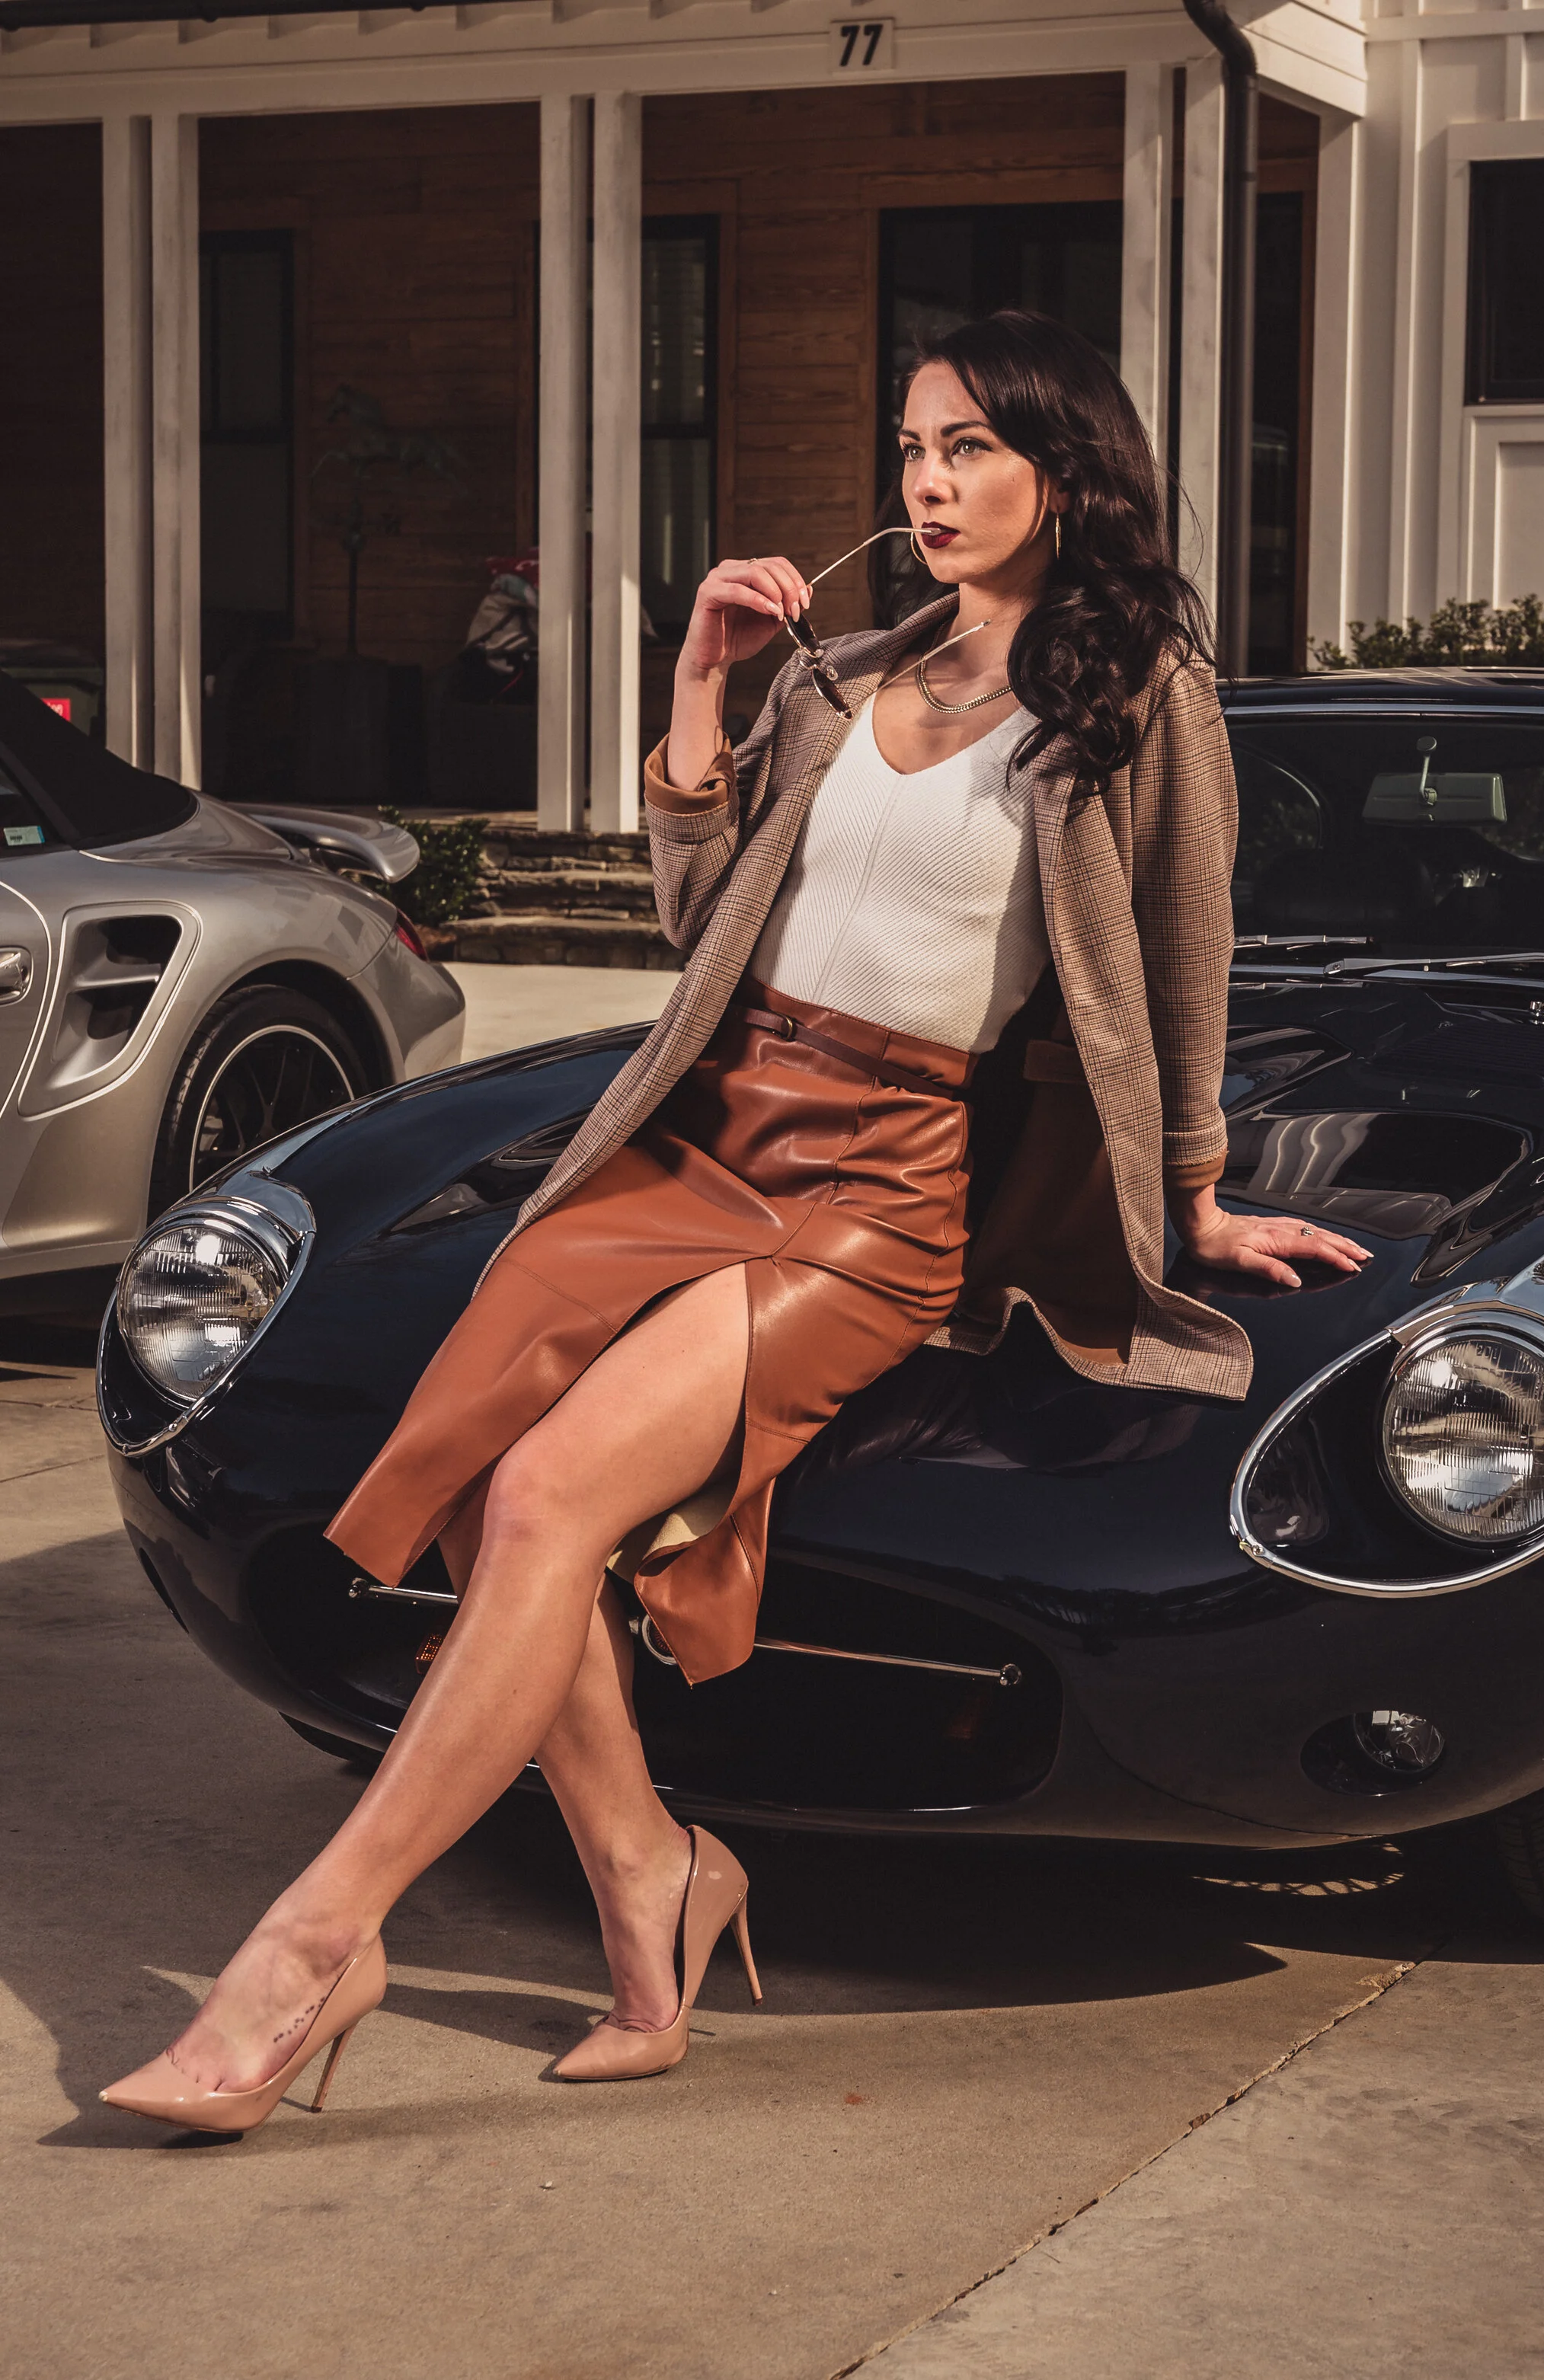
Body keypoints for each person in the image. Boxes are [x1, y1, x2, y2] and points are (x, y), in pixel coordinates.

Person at [100, 310, 1371, 2135]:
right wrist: (700, 688)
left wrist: (1192, 1196)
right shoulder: (841, 674)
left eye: (968, 450)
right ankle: (652, 1875)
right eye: (911, 449)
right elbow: (704, 916)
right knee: (477, 1487)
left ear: (1067, 473)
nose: (925, 483)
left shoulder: (1134, 692)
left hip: (876, 1186)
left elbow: (1185, 950)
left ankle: (313, 1942)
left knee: (545, 1498)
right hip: (699, 1135)